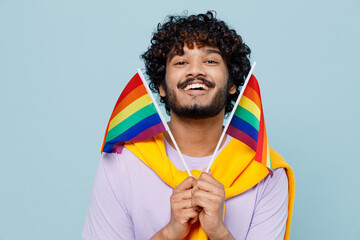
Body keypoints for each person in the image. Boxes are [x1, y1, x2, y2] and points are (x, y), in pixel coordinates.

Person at [82, 11, 294, 240]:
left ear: (233, 84)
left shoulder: (265, 170)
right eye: (181, 62)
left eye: (210, 61)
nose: (195, 71)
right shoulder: (121, 161)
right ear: (161, 87)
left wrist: (219, 232)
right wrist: (169, 233)